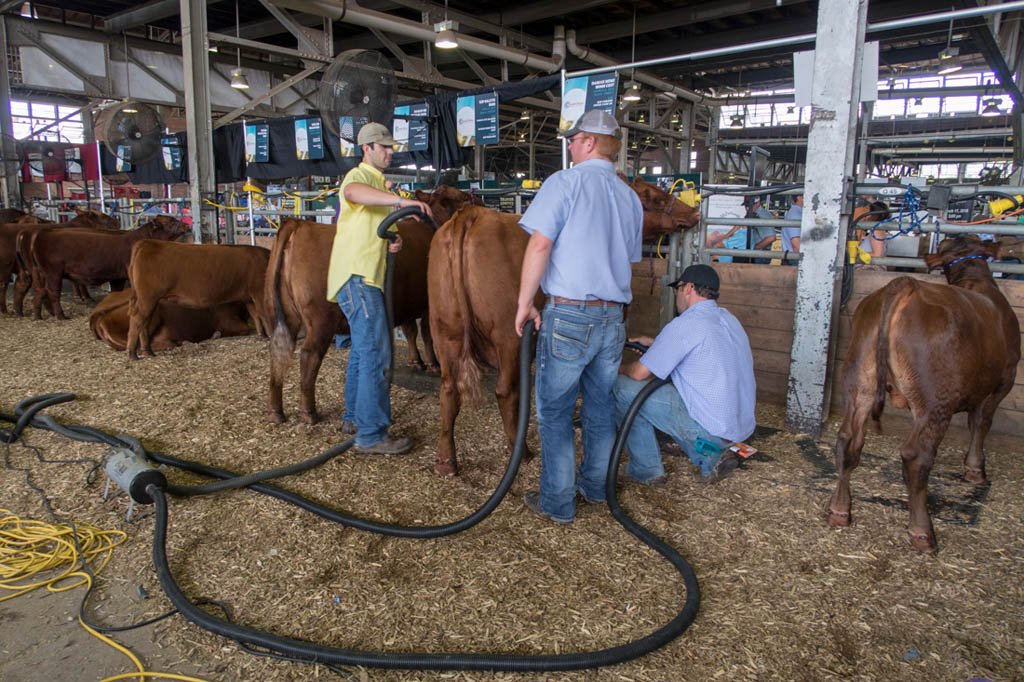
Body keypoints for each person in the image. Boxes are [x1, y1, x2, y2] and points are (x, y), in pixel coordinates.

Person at [514, 109, 644, 524]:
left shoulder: (564, 183)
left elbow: (539, 246)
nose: (569, 145)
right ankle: (595, 488)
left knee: (554, 412)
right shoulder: (629, 197)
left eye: (573, 139)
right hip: (612, 319)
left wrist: (524, 302)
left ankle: (558, 501)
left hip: (570, 315)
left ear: (588, 142)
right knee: (600, 408)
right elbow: (627, 258)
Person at [325, 122, 432, 454]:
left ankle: (354, 418)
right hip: (359, 278)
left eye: (390, 147)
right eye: (383, 147)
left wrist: (392, 239)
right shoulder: (359, 177)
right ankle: (372, 435)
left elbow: (373, 226)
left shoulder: (377, 185)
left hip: (360, 276)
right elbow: (352, 194)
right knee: (376, 352)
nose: (389, 152)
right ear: (366, 149)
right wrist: (398, 201)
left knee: (362, 350)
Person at [613, 264, 756, 484]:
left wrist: (616, 368)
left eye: (677, 289)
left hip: (715, 432)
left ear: (688, 288)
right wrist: (655, 344)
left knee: (622, 387)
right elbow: (697, 348)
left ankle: (650, 469)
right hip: (742, 430)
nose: (677, 295)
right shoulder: (728, 319)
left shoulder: (685, 324)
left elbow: (639, 374)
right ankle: (721, 448)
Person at [781, 194, 803, 264]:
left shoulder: (797, 212)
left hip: (793, 258)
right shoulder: (795, 214)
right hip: (794, 259)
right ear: (799, 197)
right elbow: (796, 243)